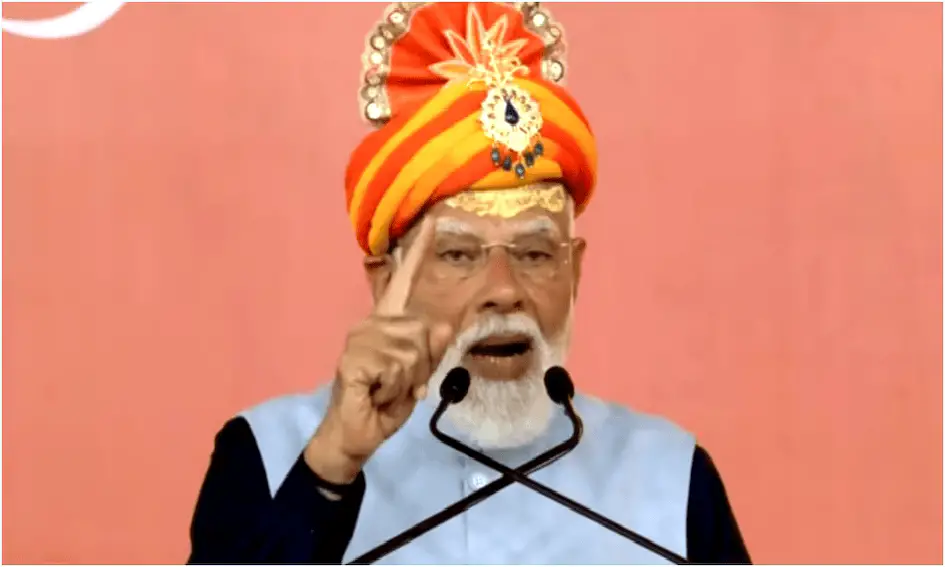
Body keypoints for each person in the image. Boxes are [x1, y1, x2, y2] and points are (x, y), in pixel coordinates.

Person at [188, 2, 751, 564]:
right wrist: (330, 470)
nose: (503, 290)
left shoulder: (670, 480)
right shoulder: (269, 455)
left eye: (534, 253)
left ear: (574, 273)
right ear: (386, 283)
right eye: (458, 255)